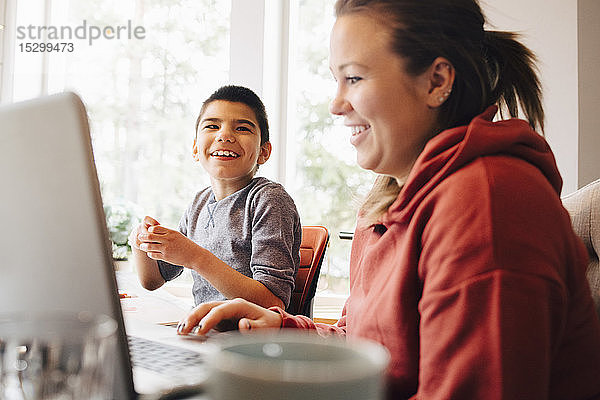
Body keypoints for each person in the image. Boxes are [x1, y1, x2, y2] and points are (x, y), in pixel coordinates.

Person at [178, 1, 600, 399]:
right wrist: (279, 328)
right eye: (335, 79)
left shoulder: (488, 202)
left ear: (437, 82)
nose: (336, 104)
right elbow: (366, 344)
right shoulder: (384, 204)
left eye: (355, 78)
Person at [129, 85, 301, 310]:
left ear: (263, 152)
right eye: (212, 126)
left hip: (245, 339)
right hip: (205, 331)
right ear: (195, 148)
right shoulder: (199, 204)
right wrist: (140, 241)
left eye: (242, 128)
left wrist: (195, 257)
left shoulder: (269, 200)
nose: (225, 135)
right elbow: (153, 280)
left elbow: (272, 303)